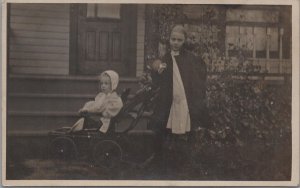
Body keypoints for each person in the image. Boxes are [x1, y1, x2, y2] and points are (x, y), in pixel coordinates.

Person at [149, 25, 208, 165]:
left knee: (186, 126)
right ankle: (164, 156)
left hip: (184, 97)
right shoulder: (165, 58)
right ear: (169, 40)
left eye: (179, 40)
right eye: (173, 39)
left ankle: (186, 157)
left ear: (184, 41)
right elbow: (157, 80)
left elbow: (198, 77)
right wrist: (157, 69)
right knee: (165, 125)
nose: (175, 42)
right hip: (169, 98)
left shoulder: (190, 59)